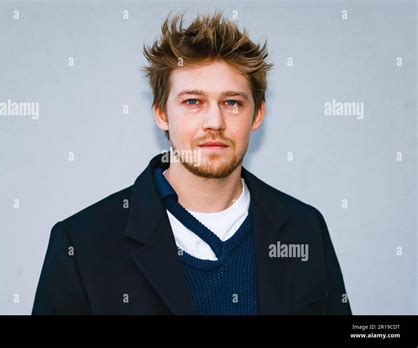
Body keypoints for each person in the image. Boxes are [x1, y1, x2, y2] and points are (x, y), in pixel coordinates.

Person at [32, 11, 352, 315]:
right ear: (161, 113)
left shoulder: (304, 228)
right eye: (193, 102)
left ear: (257, 114)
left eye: (231, 102)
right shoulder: (82, 243)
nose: (214, 121)